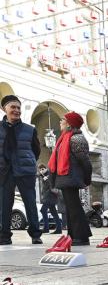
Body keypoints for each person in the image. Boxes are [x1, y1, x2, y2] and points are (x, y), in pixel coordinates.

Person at [0, 94, 43, 245]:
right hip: (4, 172)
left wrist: (28, 162)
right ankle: (4, 236)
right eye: (13, 107)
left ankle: (36, 235)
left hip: (25, 172)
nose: (16, 110)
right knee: (4, 205)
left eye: (18, 107)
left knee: (30, 203)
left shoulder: (30, 129)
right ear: (4, 109)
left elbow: (36, 151)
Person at [48, 111, 93, 246]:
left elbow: (85, 161)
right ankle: (74, 235)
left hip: (71, 177)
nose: (60, 122)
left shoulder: (76, 139)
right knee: (70, 208)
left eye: (63, 119)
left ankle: (81, 237)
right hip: (66, 177)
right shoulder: (65, 137)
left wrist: (87, 178)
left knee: (74, 208)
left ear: (70, 124)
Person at [37, 162, 62, 234]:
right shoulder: (43, 175)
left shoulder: (49, 174)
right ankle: (59, 229)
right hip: (49, 196)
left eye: (42, 169)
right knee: (53, 212)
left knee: (43, 210)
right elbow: (38, 175)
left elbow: (51, 185)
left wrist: (46, 179)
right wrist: (42, 175)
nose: (41, 171)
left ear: (45, 168)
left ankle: (46, 228)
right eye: (40, 170)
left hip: (50, 196)